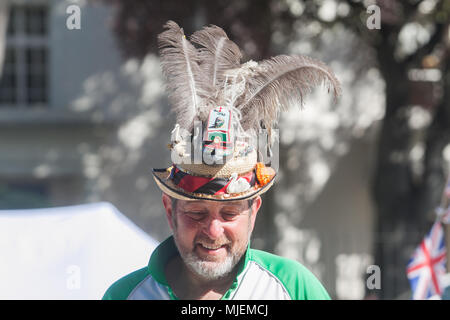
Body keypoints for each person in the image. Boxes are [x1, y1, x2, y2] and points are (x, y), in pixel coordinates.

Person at [102, 20, 341, 300]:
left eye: (229, 214)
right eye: (196, 213)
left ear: (254, 212)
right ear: (170, 211)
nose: (213, 231)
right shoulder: (124, 296)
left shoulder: (293, 287)